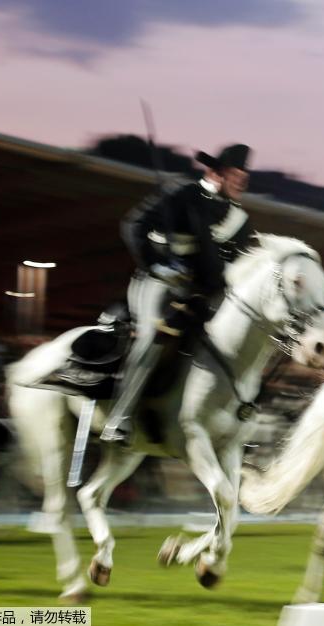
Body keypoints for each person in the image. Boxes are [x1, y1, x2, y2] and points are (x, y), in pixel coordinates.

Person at [100, 144, 255, 444]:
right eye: (234, 175)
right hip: (162, 281)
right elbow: (135, 225)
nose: (240, 182)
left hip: (206, 294)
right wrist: (158, 263)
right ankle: (120, 418)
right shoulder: (181, 194)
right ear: (215, 173)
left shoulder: (241, 220)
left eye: (243, 177)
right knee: (154, 336)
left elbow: (239, 262)